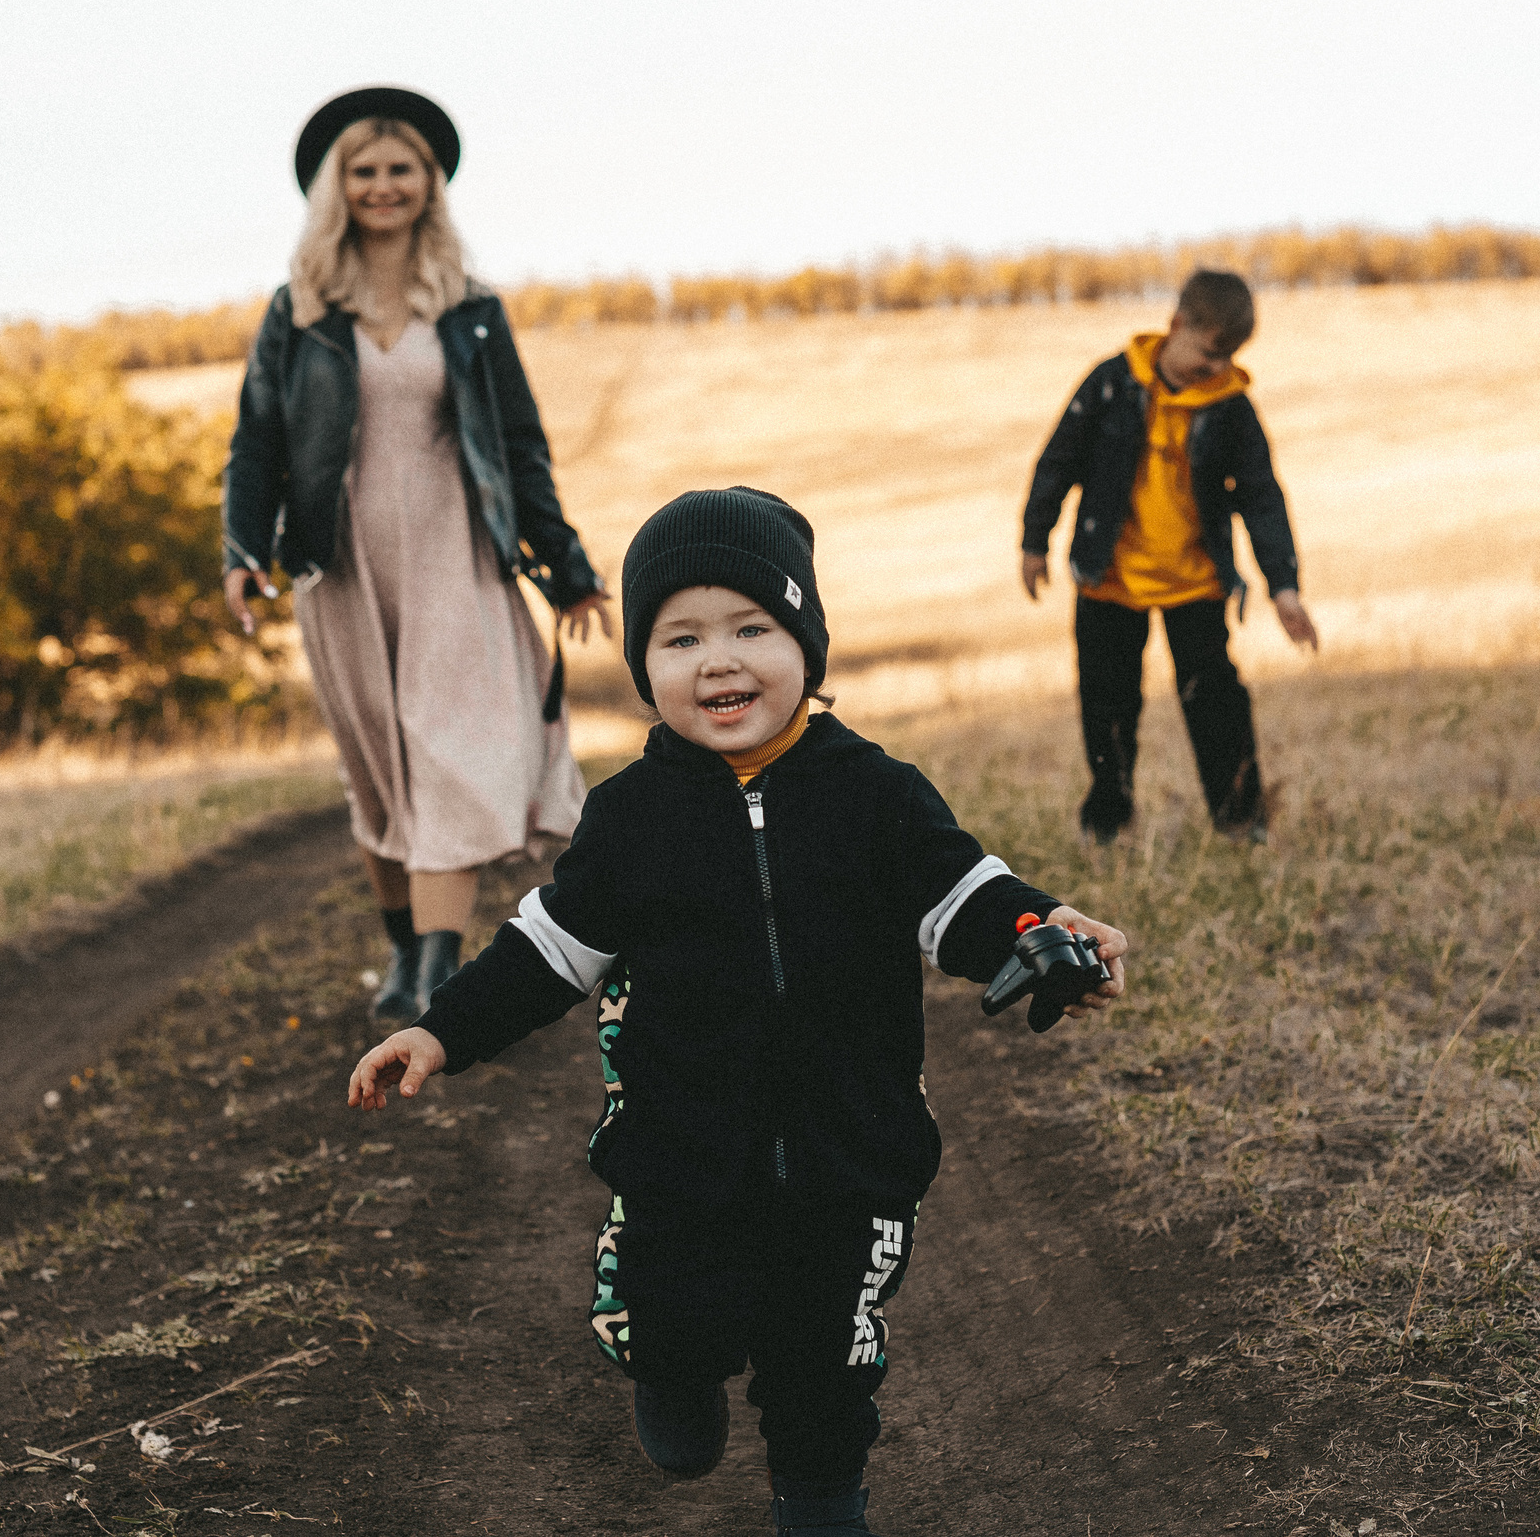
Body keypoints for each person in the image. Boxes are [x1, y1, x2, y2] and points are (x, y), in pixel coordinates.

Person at [347, 487, 1129, 1536]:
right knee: (673, 1318)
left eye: (752, 628)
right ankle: (671, 1368)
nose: (718, 661)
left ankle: (821, 1508)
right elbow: (548, 949)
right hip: (680, 1156)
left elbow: (964, 896)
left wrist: (1044, 933)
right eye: (682, 638)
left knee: (824, 1366)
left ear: (807, 641)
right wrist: (440, 1028)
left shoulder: (876, 793)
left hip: (850, 1150)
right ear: (645, 667)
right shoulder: (629, 818)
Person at [223, 86, 611, 1019]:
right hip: (341, 565)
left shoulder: (470, 311)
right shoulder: (300, 312)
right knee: (378, 766)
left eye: (402, 170)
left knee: (446, 752)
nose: (384, 185)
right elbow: (258, 442)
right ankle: (404, 949)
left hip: (454, 560)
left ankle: (437, 971)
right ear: (338, 186)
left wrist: (565, 567)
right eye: (365, 170)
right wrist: (243, 549)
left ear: (430, 184)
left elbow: (519, 446)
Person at [1018, 269, 1318, 845]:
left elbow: (1261, 497)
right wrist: (1035, 541)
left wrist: (1284, 587)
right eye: (1208, 352)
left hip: (1195, 582)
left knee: (1216, 705)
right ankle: (1109, 825)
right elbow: (1058, 461)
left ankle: (1241, 820)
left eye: (1228, 357)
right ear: (1177, 324)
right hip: (1109, 578)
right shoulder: (1111, 384)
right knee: (1106, 706)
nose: (1216, 367)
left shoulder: (1231, 408)